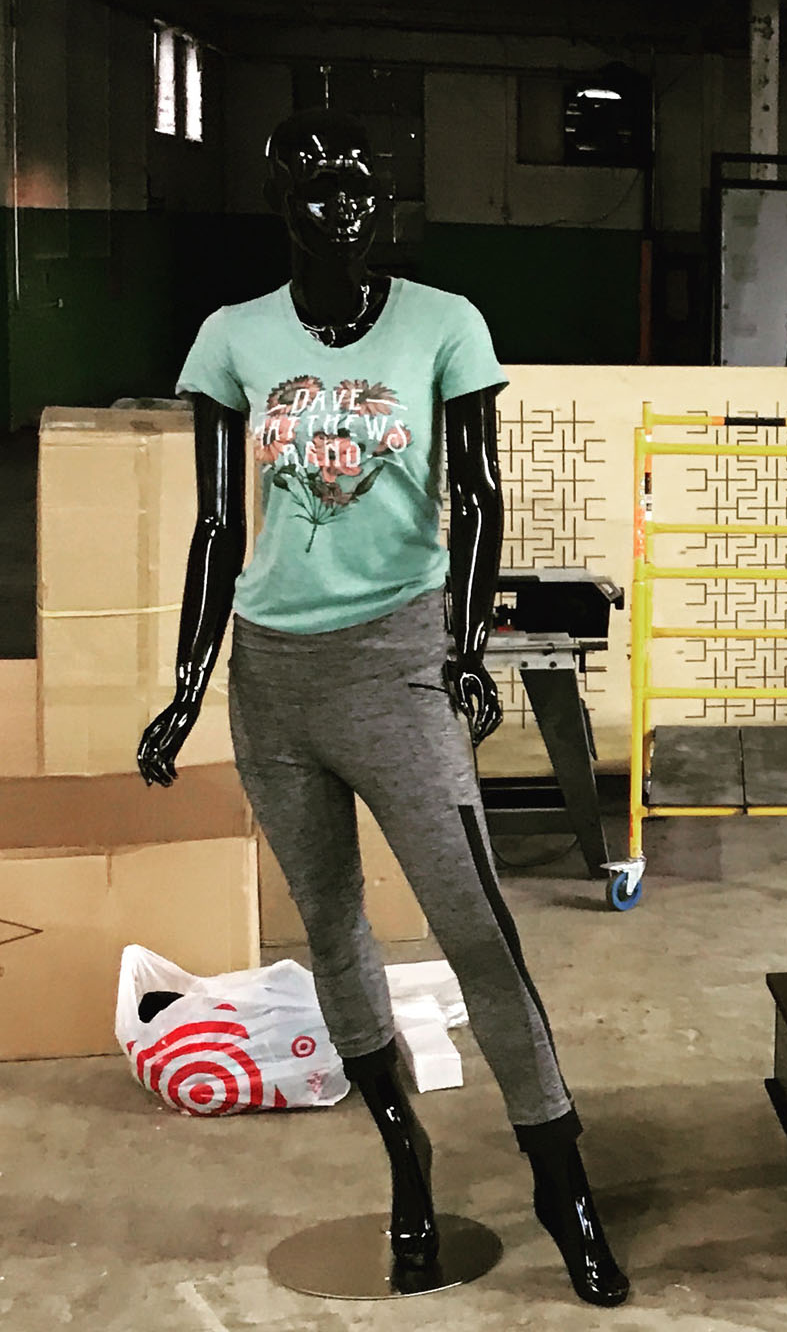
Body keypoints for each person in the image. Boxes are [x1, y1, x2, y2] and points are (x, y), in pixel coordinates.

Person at [137, 110, 628, 1307]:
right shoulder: (233, 338)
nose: (349, 206)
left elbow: (479, 496)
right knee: (332, 931)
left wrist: (464, 648)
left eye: (366, 185)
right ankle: (405, 1157)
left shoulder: (444, 322)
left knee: (476, 930)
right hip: (273, 680)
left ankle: (562, 1183)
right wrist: (188, 681)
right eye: (320, 189)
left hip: (400, 660)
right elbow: (217, 524)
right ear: (282, 206)